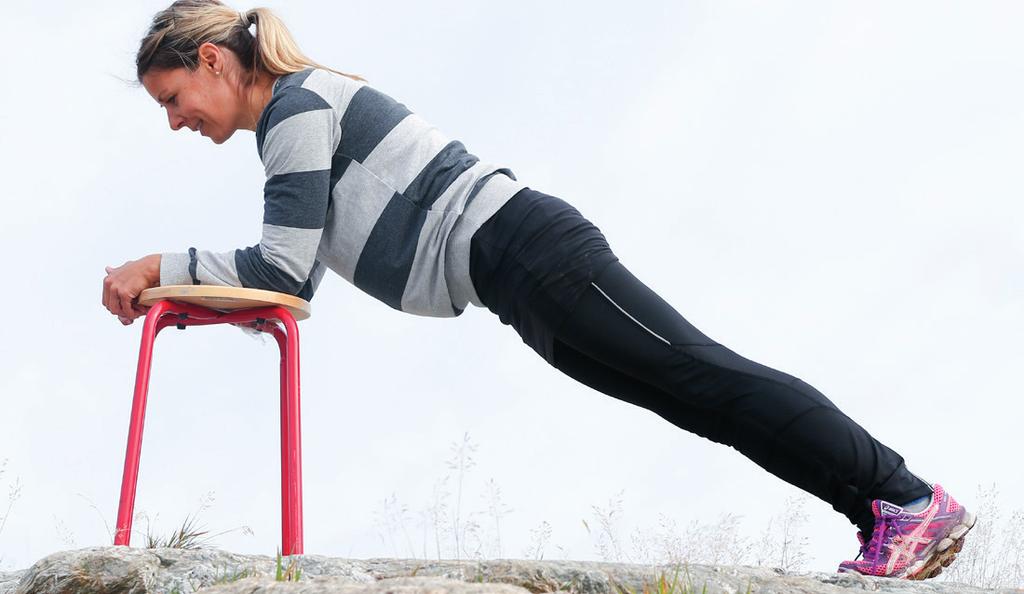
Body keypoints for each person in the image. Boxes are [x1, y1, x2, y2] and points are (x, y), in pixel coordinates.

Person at [102, 0, 975, 579]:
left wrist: (160, 268)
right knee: (697, 398)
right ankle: (884, 521)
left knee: (704, 373)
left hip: (526, 248)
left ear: (213, 59)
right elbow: (288, 295)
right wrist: (191, 296)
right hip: (511, 281)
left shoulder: (295, 110)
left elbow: (277, 273)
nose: (177, 121)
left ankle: (905, 496)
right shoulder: (292, 123)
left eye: (174, 98)